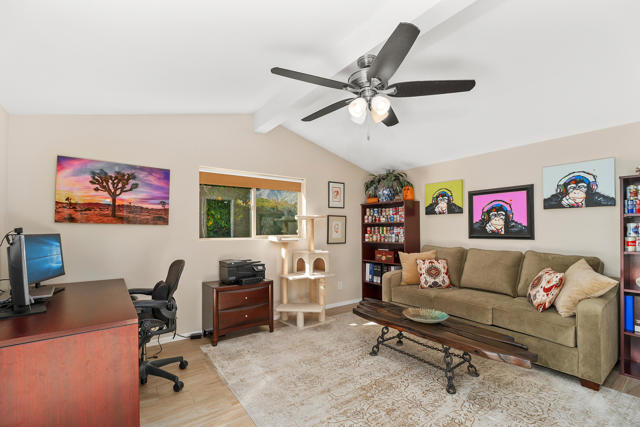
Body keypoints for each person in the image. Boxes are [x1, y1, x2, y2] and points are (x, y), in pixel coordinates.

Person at [544, 171, 615, 208]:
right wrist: (560, 203)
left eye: (581, 187)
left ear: (589, 188)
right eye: (572, 188)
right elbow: (545, 204)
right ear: (564, 190)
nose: (576, 191)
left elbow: (612, 202)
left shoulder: (594, 197)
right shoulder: (559, 197)